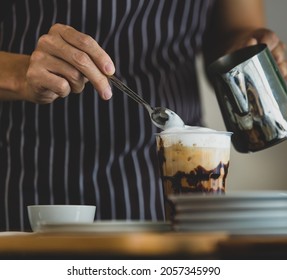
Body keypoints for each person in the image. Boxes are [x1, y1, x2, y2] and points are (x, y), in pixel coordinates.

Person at [0, 0, 286, 231]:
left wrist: (245, 54)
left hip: (175, 179)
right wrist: (17, 74)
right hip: (36, 171)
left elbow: (234, 29)